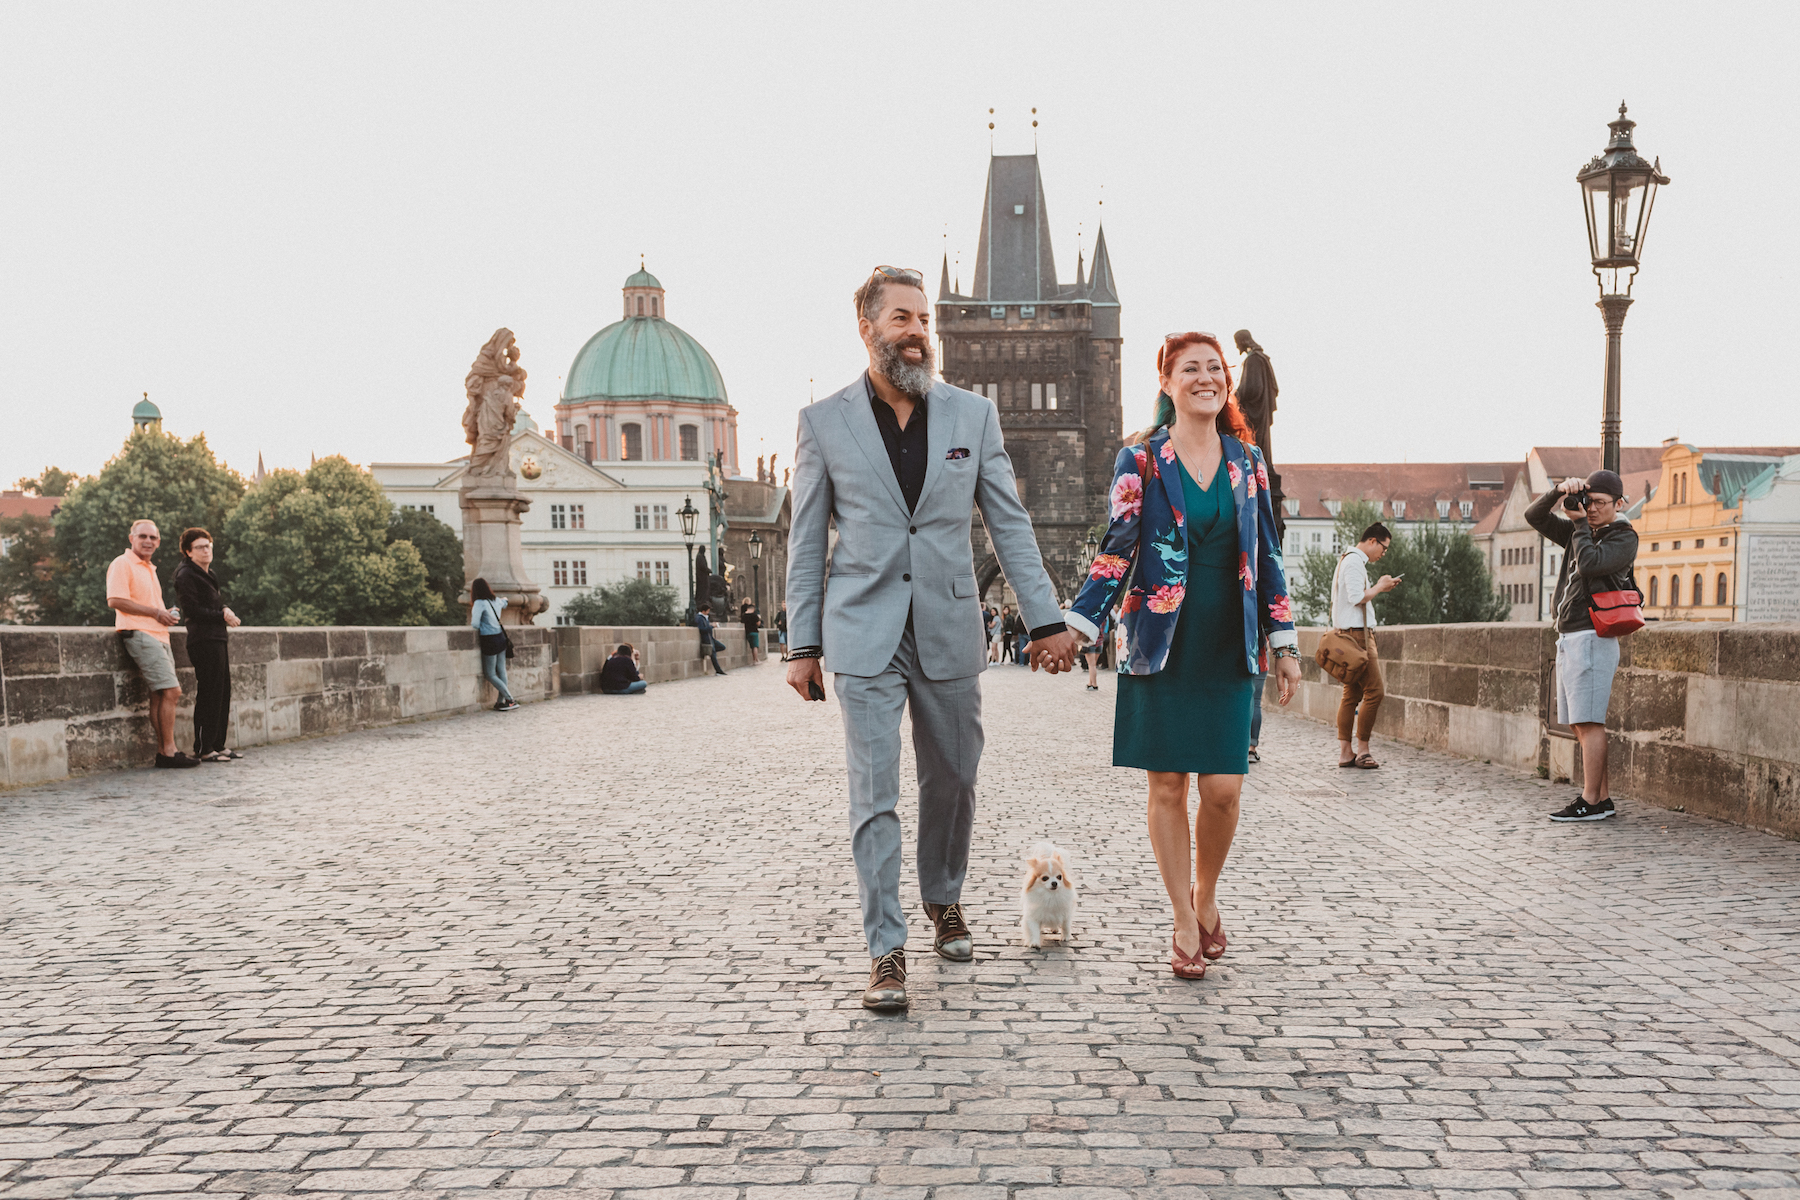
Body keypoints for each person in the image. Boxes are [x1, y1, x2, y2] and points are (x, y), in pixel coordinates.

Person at [786, 264, 1078, 1011]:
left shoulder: (971, 416)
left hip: (949, 626)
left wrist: (1044, 619)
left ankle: (943, 896)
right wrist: (803, 644)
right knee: (874, 795)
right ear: (869, 328)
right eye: (902, 320)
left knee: (953, 778)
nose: (918, 334)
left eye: (925, 321)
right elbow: (806, 539)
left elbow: (1008, 523)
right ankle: (885, 950)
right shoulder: (823, 421)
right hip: (863, 632)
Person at [1064, 332, 1300, 981]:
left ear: (1226, 382)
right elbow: (1117, 547)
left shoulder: (1247, 462)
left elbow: (1269, 554)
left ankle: (1206, 894)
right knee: (1167, 786)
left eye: (1214, 368)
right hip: (1159, 643)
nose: (1205, 377)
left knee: (1222, 788)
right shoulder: (1139, 460)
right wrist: (1079, 623)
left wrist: (1284, 644)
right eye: (1189, 368)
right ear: (1167, 383)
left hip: (1227, 638)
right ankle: (1181, 917)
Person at [1526, 468, 1639, 822]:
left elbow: (1590, 565)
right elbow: (1534, 516)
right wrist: (1559, 491)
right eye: (1588, 502)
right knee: (1579, 722)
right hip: (1571, 636)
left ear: (1619, 503)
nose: (1591, 509)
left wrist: (1577, 527)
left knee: (1590, 722)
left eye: (1600, 503)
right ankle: (1601, 799)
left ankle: (1590, 801)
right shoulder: (1581, 532)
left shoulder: (1624, 537)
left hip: (1594, 636)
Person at [106, 519, 198, 768]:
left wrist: (164, 613)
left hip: (157, 633)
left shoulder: (148, 568)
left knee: (159, 695)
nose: (148, 541)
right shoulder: (122, 563)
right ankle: (169, 751)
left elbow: (147, 605)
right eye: (143, 536)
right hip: (140, 633)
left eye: (153, 538)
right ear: (131, 538)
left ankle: (163, 752)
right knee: (172, 691)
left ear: (158, 542)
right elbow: (115, 600)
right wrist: (155, 613)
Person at [1332, 523, 1400, 768]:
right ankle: (1362, 750)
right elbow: (1356, 598)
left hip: (1352, 634)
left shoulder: (1349, 560)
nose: (1383, 553)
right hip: (1357, 637)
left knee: (1351, 694)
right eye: (1383, 548)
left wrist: (1380, 586)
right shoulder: (1353, 562)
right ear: (1372, 541)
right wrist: (1379, 587)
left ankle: (1346, 753)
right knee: (1375, 691)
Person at [173, 527, 243, 762]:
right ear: (188, 551)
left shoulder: (209, 574)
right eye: (200, 547)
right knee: (209, 693)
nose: (206, 550)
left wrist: (223, 609)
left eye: (209, 546)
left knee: (222, 692)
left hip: (217, 638)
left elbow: (213, 606)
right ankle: (204, 748)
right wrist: (221, 615)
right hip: (202, 640)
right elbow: (192, 610)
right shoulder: (186, 575)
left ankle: (218, 744)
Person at [469, 578, 519, 711]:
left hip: (489, 639)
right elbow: (505, 602)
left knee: (490, 673)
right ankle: (500, 702)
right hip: (500, 637)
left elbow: (474, 624)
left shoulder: (479, 603)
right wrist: (505, 598)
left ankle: (510, 699)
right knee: (501, 670)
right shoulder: (495, 600)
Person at [695, 602, 726, 675]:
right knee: (713, 655)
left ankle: (710, 653)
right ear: (703, 611)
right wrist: (712, 626)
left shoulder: (705, 618)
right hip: (707, 639)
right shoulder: (700, 618)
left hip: (711, 638)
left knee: (722, 647)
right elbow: (702, 629)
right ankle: (719, 671)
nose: (708, 612)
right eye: (708, 611)